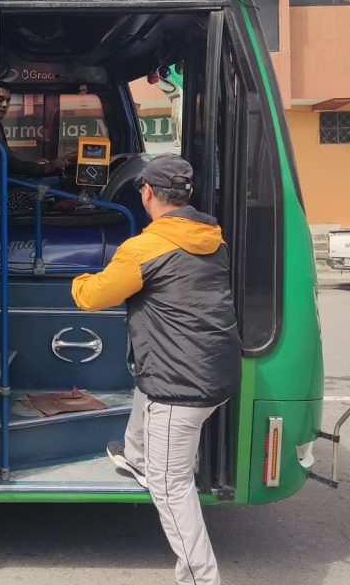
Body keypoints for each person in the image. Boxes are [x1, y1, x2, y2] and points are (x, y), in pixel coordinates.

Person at [71, 154, 240, 585]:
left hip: (180, 385)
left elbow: (93, 297)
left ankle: (201, 578)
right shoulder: (213, 238)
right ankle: (137, 456)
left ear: (147, 193)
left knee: (171, 487)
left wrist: (77, 280)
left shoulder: (145, 247)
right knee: (146, 380)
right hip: (216, 370)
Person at [0, 82, 67, 178]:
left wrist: (34, 165)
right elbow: (9, 164)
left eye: (8, 100)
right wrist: (47, 168)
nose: (5, 104)